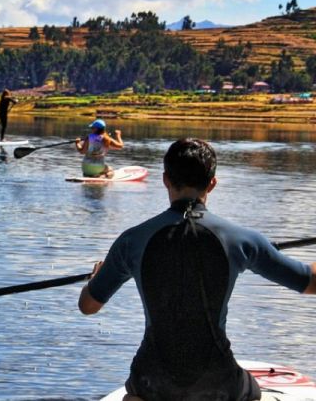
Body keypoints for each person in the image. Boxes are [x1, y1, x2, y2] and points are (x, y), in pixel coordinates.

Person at [78, 138, 316, 400]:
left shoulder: (131, 240)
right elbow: (310, 283)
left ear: (166, 179)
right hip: (220, 385)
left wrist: (97, 278)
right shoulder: (244, 240)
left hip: (150, 382)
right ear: (212, 183)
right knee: (253, 393)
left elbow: (88, 306)